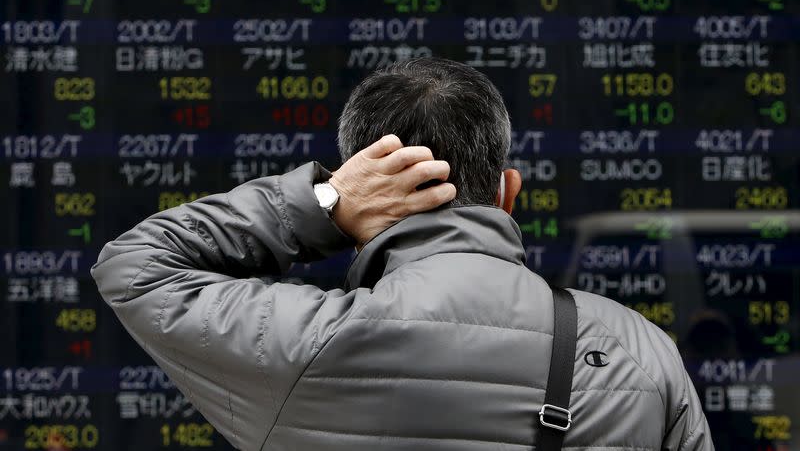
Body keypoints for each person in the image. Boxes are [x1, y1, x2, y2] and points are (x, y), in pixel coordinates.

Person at [91, 57, 713, 451]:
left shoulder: (304, 341)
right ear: (508, 192)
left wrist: (327, 202)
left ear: (366, 191)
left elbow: (134, 266)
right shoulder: (641, 351)